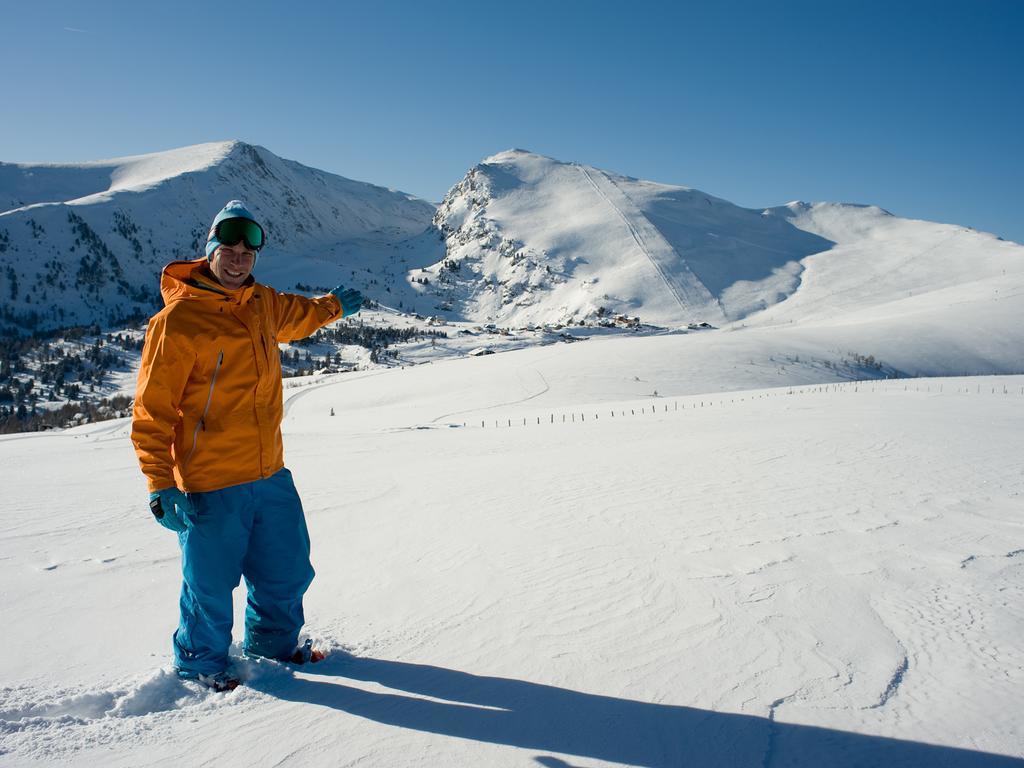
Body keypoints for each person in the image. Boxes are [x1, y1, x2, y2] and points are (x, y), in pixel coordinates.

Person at [131, 200, 363, 692]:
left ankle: (274, 647)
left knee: (287, 570)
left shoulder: (261, 303)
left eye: (246, 251)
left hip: (269, 473)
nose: (237, 259)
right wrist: (159, 482)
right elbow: (153, 410)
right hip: (209, 482)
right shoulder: (177, 321)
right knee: (210, 588)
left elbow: (299, 316)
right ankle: (201, 666)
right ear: (210, 250)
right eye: (228, 249)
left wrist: (334, 306)